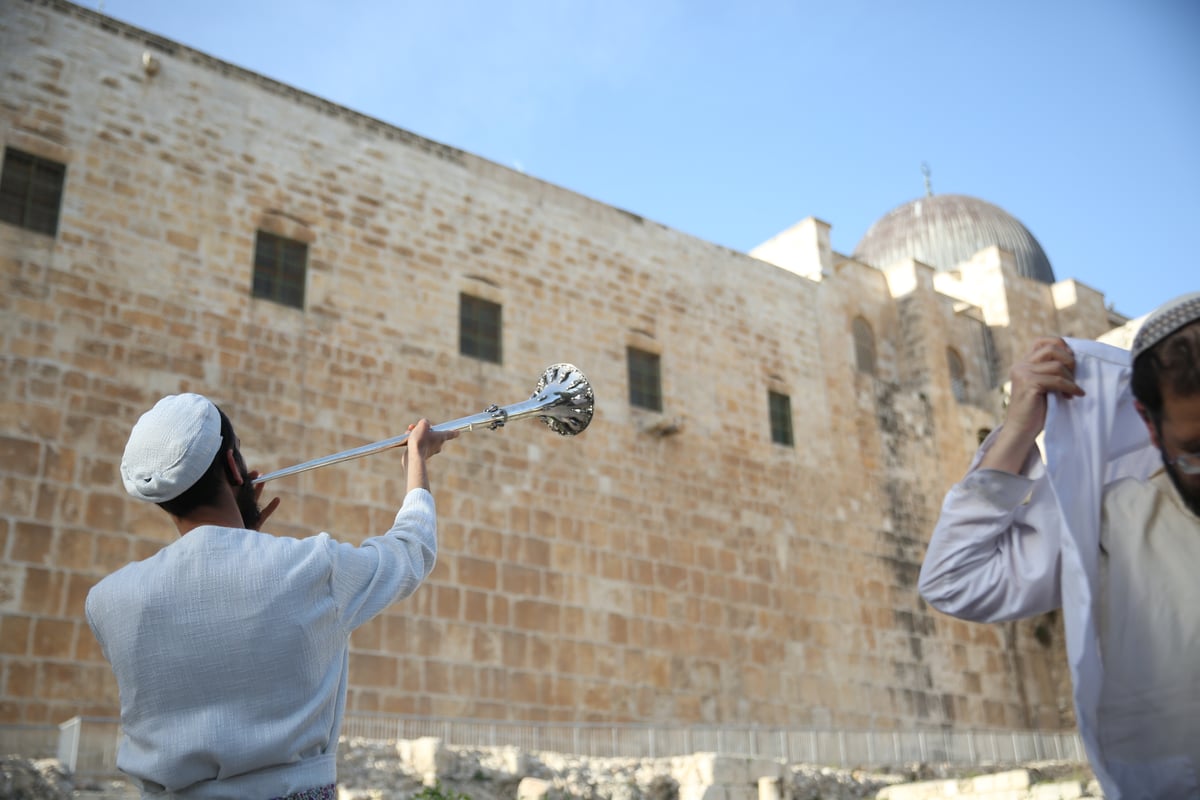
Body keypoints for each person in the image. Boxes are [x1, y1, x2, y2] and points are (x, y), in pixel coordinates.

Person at [85, 393, 456, 798]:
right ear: (232, 466)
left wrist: (244, 545)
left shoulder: (107, 602)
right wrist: (416, 460)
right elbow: (411, 550)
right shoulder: (311, 567)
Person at [918, 292, 1200, 799]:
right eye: (1193, 449)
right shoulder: (1122, 523)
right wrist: (1019, 429)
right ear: (1150, 426)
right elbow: (954, 577)